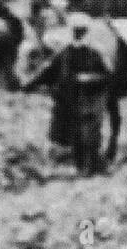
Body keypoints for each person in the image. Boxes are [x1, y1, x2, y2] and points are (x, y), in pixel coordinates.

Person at [27, 12, 111, 175]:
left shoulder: (96, 53)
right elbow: (50, 72)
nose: (78, 34)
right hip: (71, 101)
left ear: (87, 32)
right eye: (75, 30)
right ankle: (82, 167)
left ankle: (91, 167)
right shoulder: (65, 52)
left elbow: (108, 76)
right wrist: (29, 85)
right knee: (76, 135)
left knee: (90, 135)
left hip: (91, 100)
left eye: (81, 30)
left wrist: (89, 78)